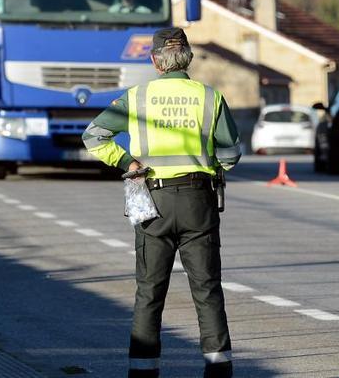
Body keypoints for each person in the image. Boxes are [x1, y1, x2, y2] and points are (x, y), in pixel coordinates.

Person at [83, 28, 242, 378]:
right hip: (198, 200)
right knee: (207, 289)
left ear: (155, 60)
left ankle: (143, 371)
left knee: (149, 291)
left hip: (152, 201)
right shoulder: (209, 97)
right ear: (187, 58)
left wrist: (128, 162)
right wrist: (212, 164)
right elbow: (231, 154)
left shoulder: (137, 97)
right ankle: (218, 370)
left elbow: (93, 136)